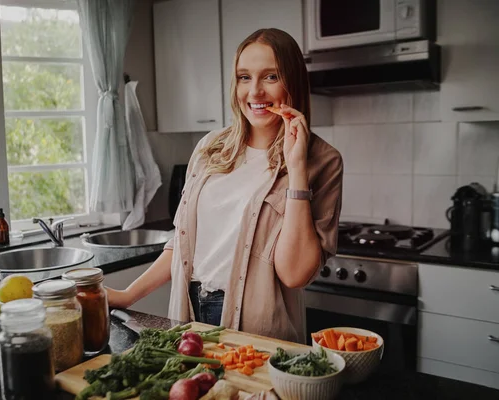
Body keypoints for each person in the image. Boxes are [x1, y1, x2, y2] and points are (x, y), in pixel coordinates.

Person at [107, 28, 343, 343]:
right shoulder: (210, 146)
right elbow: (182, 241)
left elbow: (295, 274)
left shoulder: (322, 161)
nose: (255, 92)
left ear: (294, 82)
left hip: (258, 330)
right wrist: (127, 295)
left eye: (271, 76)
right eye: (245, 77)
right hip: (188, 314)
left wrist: (297, 168)